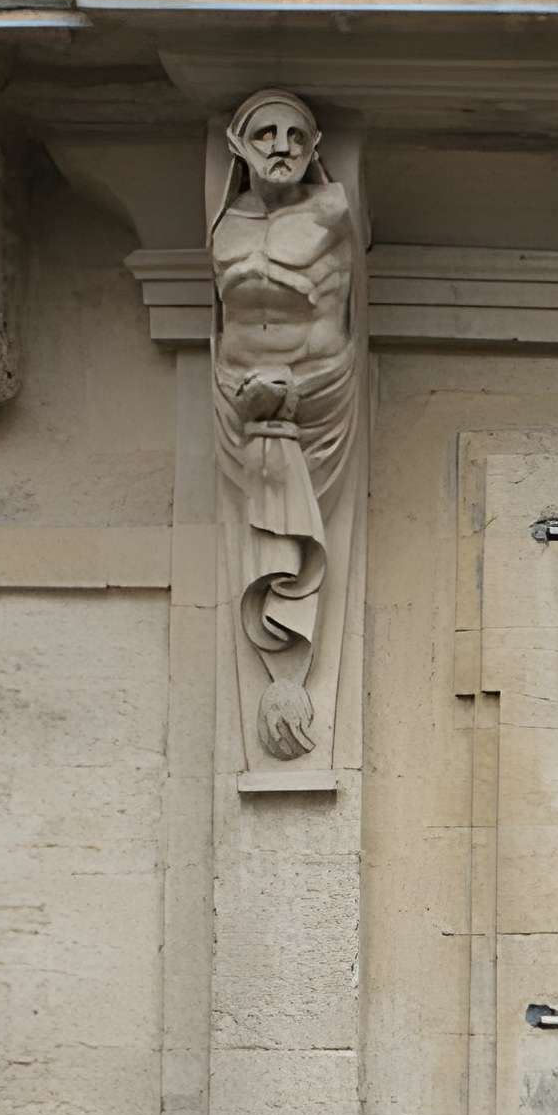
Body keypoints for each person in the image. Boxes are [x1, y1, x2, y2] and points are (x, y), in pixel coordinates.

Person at [211, 89, 360, 762]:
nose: (281, 147)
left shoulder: (332, 211)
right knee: (264, 546)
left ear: (315, 146)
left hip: (316, 397)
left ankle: (292, 671)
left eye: (296, 136)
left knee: (299, 556)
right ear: (236, 145)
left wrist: (295, 389)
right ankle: (277, 673)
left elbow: (332, 317)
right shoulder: (222, 222)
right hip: (239, 401)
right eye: (265, 133)